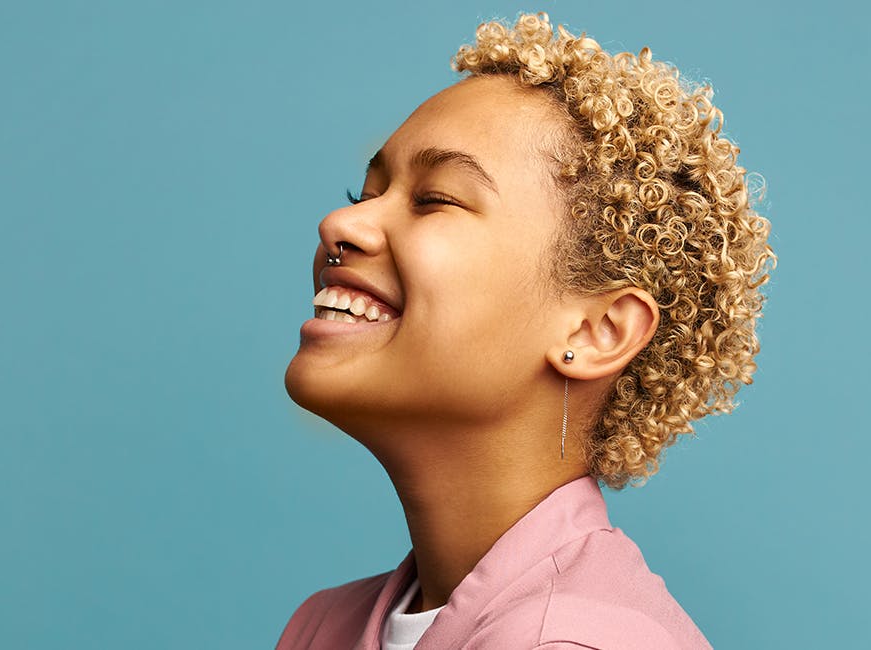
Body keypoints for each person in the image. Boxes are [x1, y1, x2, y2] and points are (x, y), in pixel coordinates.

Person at [278, 12, 774, 650]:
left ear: (598, 330)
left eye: (435, 199)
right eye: (366, 190)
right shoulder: (321, 628)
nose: (342, 223)